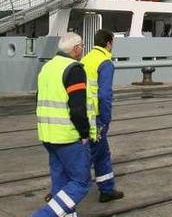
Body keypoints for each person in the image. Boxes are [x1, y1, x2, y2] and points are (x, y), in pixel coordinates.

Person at [32, 32, 93, 217]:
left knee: (60, 181)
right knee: (81, 182)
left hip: (47, 135)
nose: (83, 50)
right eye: (82, 47)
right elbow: (77, 108)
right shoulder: (74, 69)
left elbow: (38, 99)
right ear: (75, 49)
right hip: (67, 136)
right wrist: (84, 133)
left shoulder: (47, 67)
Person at [81, 29, 124, 203]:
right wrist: (106, 119)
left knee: (90, 152)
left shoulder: (85, 59)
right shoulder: (105, 62)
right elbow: (105, 95)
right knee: (99, 154)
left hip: (82, 113)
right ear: (108, 43)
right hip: (96, 116)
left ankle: (106, 188)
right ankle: (105, 190)